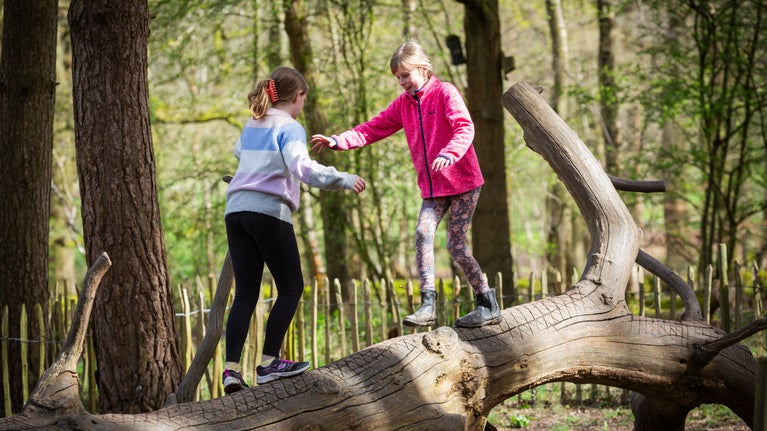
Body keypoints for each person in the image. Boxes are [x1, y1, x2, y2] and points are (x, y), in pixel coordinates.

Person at [310, 41, 500, 329]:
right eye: (398, 78)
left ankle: (487, 303)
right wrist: (338, 140)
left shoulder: (445, 92)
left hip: (463, 182)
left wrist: (450, 153)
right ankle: (428, 305)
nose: (401, 83)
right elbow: (372, 127)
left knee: (456, 246)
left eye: (405, 76)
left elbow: (465, 126)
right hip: (433, 188)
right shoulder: (404, 105)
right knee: (423, 233)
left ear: (423, 69)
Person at [222, 66, 366, 394]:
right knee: (291, 287)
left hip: (236, 211)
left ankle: (231, 370)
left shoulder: (252, 123)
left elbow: (239, 152)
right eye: (304, 99)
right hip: (268, 211)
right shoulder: (290, 127)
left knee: (245, 293)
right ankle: (269, 362)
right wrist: (342, 178)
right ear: (298, 97)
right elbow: (303, 168)